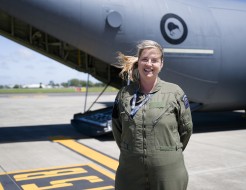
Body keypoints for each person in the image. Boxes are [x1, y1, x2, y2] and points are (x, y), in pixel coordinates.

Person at [112, 40, 193, 190]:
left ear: (161, 64)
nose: (149, 64)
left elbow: (186, 129)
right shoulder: (124, 95)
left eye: (154, 60)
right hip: (130, 172)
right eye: (144, 59)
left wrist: (165, 152)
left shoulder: (174, 93)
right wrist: (132, 151)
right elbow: (117, 130)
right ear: (139, 62)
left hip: (168, 171)